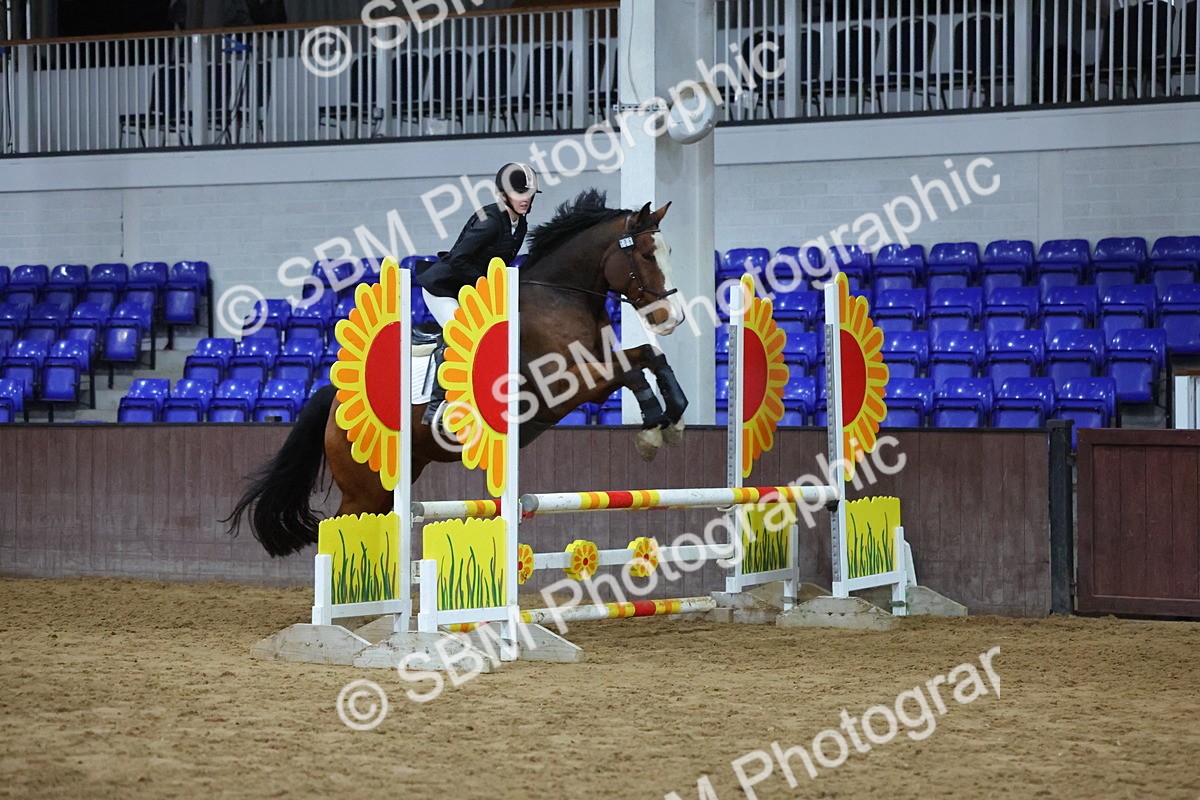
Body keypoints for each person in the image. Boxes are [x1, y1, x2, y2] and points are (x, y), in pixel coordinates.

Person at [415, 161, 541, 425]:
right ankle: (437, 405)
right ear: (504, 194)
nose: (525, 199)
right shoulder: (490, 222)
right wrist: (486, 285)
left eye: (528, 194)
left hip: (469, 289)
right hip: (444, 287)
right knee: (460, 332)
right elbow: (458, 259)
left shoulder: (521, 225)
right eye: (520, 193)